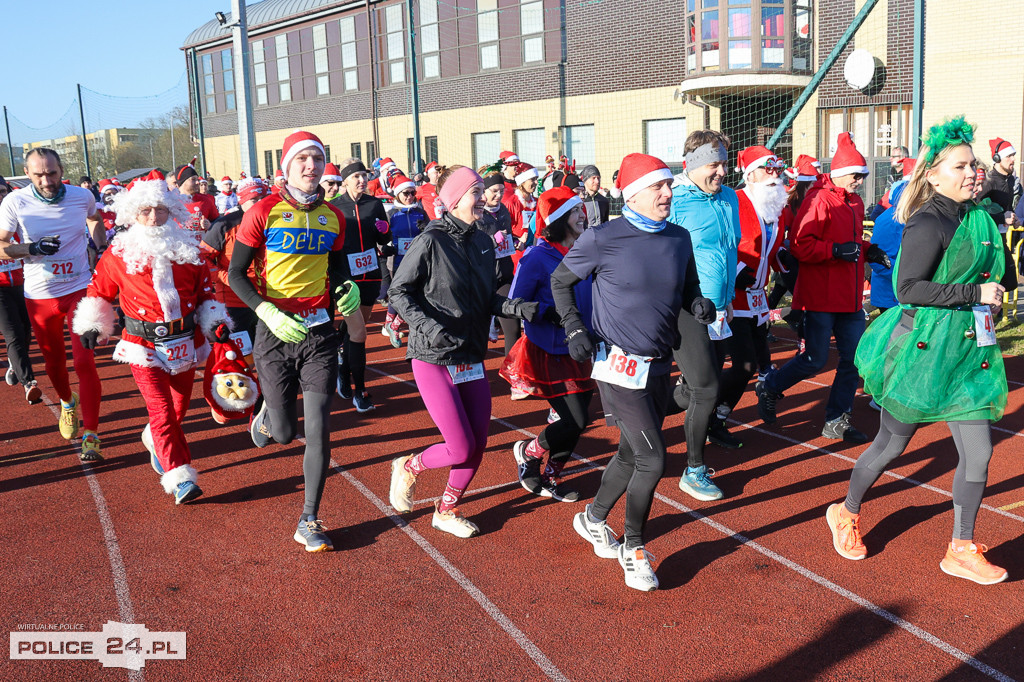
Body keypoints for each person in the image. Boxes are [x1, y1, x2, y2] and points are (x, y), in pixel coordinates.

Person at [829, 116, 1018, 585]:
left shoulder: (980, 217)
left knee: (978, 455)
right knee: (891, 445)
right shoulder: (927, 221)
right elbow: (909, 287)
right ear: (933, 174)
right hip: (923, 348)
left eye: (973, 165)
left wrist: (999, 257)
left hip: (970, 351)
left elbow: (1006, 277)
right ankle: (846, 511)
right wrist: (975, 294)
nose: (972, 173)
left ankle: (960, 546)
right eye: (961, 167)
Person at [552, 153, 713, 591]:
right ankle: (634, 547)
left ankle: (592, 518)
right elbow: (560, 282)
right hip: (616, 364)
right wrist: (573, 329)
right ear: (633, 193)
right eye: (659, 187)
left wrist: (696, 303)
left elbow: (688, 287)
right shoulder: (603, 238)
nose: (668, 194)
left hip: (659, 363)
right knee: (653, 458)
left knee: (630, 453)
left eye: (670, 186)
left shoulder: (678, 238)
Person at [387, 165, 538, 538]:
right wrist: (429, 327)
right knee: (459, 446)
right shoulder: (431, 240)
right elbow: (398, 292)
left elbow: (486, 298)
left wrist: (517, 308)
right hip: (433, 355)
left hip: (470, 356)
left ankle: (446, 509)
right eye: (475, 192)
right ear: (454, 200)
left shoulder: (484, 242)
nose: (483, 198)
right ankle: (409, 466)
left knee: (478, 443)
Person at [228, 130, 361, 552]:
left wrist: (347, 288)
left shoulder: (335, 216)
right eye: (302, 159)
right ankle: (268, 416)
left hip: (320, 333)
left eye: (317, 159)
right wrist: (264, 310)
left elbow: (337, 268)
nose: (311, 166)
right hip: (274, 332)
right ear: (287, 166)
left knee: (320, 429)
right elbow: (235, 275)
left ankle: (309, 518)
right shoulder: (263, 212)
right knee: (284, 435)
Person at [72, 180, 231, 504]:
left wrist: (215, 323)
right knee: (160, 410)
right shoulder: (118, 253)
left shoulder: (191, 250)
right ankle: (180, 477)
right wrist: (92, 324)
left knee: (177, 408)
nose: (154, 217)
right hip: (142, 344)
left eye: (160, 209)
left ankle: (155, 439)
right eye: (146, 210)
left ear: (171, 211)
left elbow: (205, 296)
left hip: (185, 340)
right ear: (134, 214)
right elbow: (99, 292)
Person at [756, 133, 890, 442]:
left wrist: (868, 250)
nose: (859, 180)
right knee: (815, 359)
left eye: (863, 175)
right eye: (855, 175)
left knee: (852, 360)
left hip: (851, 297)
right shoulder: (817, 198)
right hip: (821, 296)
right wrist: (835, 251)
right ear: (840, 173)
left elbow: (852, 242)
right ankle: (771, 385)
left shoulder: (855, 202)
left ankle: (836, 420)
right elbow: (800, 246)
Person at [0, 148, 105, 460]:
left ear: (61, 169)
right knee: (55, 365)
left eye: (52, 173)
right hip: (40, 294)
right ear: (28, 174)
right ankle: (67, 402)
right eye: (39, 175)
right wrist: (30, 247)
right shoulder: (14, 202)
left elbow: (94, 219)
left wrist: (96, 246)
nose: (47, 180)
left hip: (79, 289)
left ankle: (92, 435)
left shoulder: (80, 196)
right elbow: (1, 246)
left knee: (85, 362)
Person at [501, 186, 594, 502]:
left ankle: (551, 476)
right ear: (559, 218)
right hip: (550, 349)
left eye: (582, 210)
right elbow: (515, 301)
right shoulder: (537, 256)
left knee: (579, 422)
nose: (583, 215)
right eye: (576, 211)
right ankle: (529, 453)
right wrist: (548, 312)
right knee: (575, 420)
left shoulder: (584, 249)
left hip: (583, 345)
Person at [666, 129, 741, 499]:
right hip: (689, 308)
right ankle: (693, 470)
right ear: (692, 164)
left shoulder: (730, 198)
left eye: (725, 163)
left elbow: (729, 250)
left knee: (696, 390)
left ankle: (640, 414)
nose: (722, 172)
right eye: (714, 164)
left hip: (721, 310)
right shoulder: (675, 199)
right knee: (706, 389)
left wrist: (726, 301)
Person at [716, 147, 792, 439]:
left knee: (759, 365)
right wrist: (735, 271)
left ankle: (720, 415)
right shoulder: (732, 200)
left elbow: (772, 247)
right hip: (732, 299)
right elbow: (717, 244)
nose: (774, 176)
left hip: (759, 298)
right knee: (744, 365)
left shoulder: (776, 205)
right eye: (767, 169)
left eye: (777, 170)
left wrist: (782, 260)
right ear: (749, 174)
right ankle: (705, 408)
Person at [330, 158, 392, 412]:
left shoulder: (375, 204)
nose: (362, 180)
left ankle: (343, 368)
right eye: (356, 177)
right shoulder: (334, 208)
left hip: (371, 274)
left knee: (356, 331)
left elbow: (384, 240)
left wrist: (384, 229)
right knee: (359, 335)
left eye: (365, 176)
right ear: (345, 180)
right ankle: (360, 391)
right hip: (346, 278)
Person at [200, 177, 270, 354]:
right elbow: (203, 259)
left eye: (264, 199)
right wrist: (225, 276)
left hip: (270, 299)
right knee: (238, 355)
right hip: (234, 301)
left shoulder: (277, 222)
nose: (260, 204)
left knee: (269, 356)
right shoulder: (225, 224)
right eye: (254, 200)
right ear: (242, 200)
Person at [0, 176, 40, 403]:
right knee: (13, 333)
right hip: (0, 289)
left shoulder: (16, 218)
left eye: (2, 191)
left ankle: (15, 366)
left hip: (24, 284)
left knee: (26, 332)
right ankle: (29, 383)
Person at [382, 172, 427, 347]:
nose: (410, 197)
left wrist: (426, 229)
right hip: (397, 261)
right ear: (397, 195)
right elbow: (380, 236)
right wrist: (385, 247)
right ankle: (392, 324)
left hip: (418, 260)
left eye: (412, 193)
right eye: (405, 193)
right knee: (400, 295)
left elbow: (430, 234)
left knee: (415, 295)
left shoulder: (420, 213)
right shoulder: (391, 214)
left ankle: (393, 324)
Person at [479, 173, 520, 355]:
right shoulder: (476, 211)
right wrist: (492, 240)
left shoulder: (503, 210)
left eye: (502, 191)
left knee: (513, 328)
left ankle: (514, 373)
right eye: (494, 191)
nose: (498, 195)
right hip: (482, 279)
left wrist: (516, 240)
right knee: (477, 333)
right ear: (483, 191)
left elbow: (507, 235)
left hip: (503, 277)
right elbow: (473, 245)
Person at [867, 180, 909, 314]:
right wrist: (908, 277)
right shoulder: (890, 220)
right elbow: (879, 260)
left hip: (898, 292)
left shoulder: (907, 216)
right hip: (891, 295)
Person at [502, 162, 540, 266]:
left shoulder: (538, 202)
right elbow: (504, 230)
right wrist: (516, 240)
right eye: (532, 179)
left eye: (536, 178)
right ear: (522, 182)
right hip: (517, 256)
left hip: (535, 251)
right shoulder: (511, 203)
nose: (536, 182)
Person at [174, 162, 219, 232]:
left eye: (197, 179)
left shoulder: (205, 200)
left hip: (200, 241)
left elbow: (219, 222)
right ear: (182, 182)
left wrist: (210, 225)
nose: (198, 182)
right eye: (193, 179)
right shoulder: (172, 201)